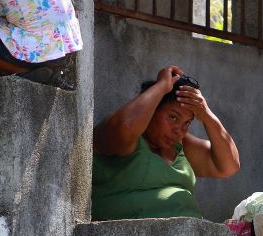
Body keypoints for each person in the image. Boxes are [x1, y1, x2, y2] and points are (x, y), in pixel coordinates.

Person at [91, 65, 241, 220]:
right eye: (173, 117)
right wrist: (162, 86)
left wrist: (207, 115)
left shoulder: (181, 145)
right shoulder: (121, 138)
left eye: (187, 123)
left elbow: (229, 165)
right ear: (152, 109)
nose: (179, 131)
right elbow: (126, 126)